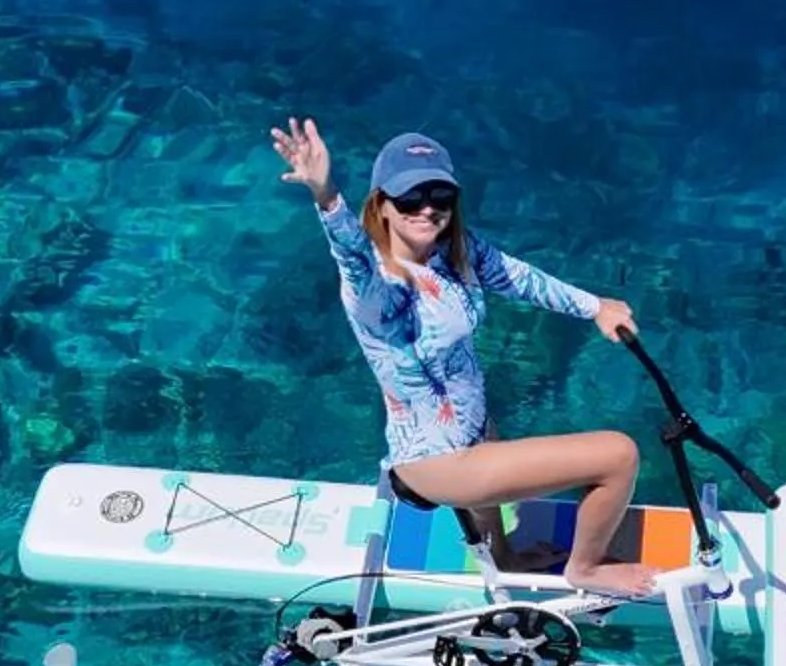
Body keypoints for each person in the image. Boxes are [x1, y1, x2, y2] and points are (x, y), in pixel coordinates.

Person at [270, 117, 658, 596]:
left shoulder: (456, 254)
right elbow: (349, 252)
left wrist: (595, 307)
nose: (427, 209)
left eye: (440, 197)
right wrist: (326, 196)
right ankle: (587, 568)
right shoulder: (375, 287)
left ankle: (504, 555)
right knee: (618, 455)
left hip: (474, 433)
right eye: (410, 198)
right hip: (441, 462)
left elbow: (520, 278)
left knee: (497, 438)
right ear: (382, 206)